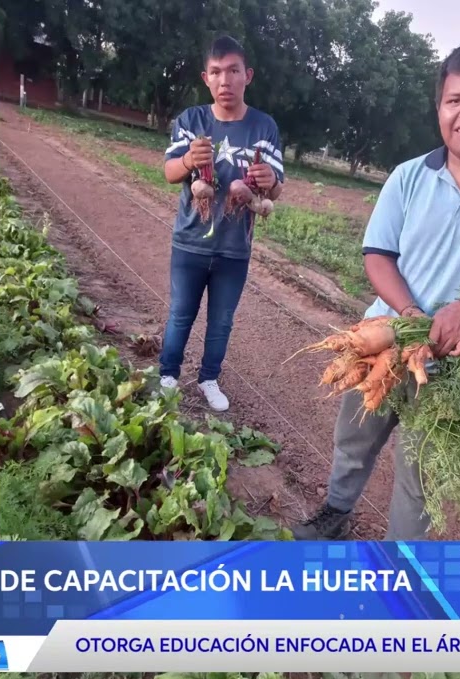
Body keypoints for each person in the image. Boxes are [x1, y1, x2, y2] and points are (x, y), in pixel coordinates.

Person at [293, 37, 460, 541]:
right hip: (388, 333)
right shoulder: (408, 177)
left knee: (419, 477)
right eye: (454, 100)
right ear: (439, 107)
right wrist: (409, 315)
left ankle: (405, 571)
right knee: (353, 437)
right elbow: (377, 254)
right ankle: (335, 512)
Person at [159, 35, 285, 412]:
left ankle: (209, 378)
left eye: (233, 71)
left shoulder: (265, 127)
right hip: (189, 241)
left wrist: (267, 184)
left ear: (247, 75)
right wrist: (187, 163)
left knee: (221, 321)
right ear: (206, 78)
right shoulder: (190, 121)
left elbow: (275, 192)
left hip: (235, 247)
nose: (225, 80)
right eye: (216, 72)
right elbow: (169, 172)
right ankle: (168, 375)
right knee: (181, 313)